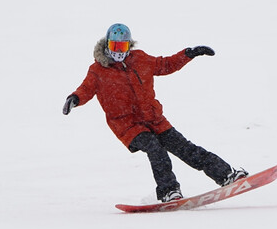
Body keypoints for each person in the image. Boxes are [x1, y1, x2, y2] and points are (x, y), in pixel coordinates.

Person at [63, 23, 247, 202]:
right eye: (114, 46)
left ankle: (226, 175)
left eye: (123, 46)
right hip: (128, 126)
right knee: (155, 150)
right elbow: (85, 89)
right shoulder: (98, 71)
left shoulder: (140, 58)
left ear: (129, 45)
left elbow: (165, 64)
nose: (118, 51)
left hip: (154, 120)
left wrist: (188, 54)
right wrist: (74, 99)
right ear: (107, 44)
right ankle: (169, 192)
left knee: (186, 148)